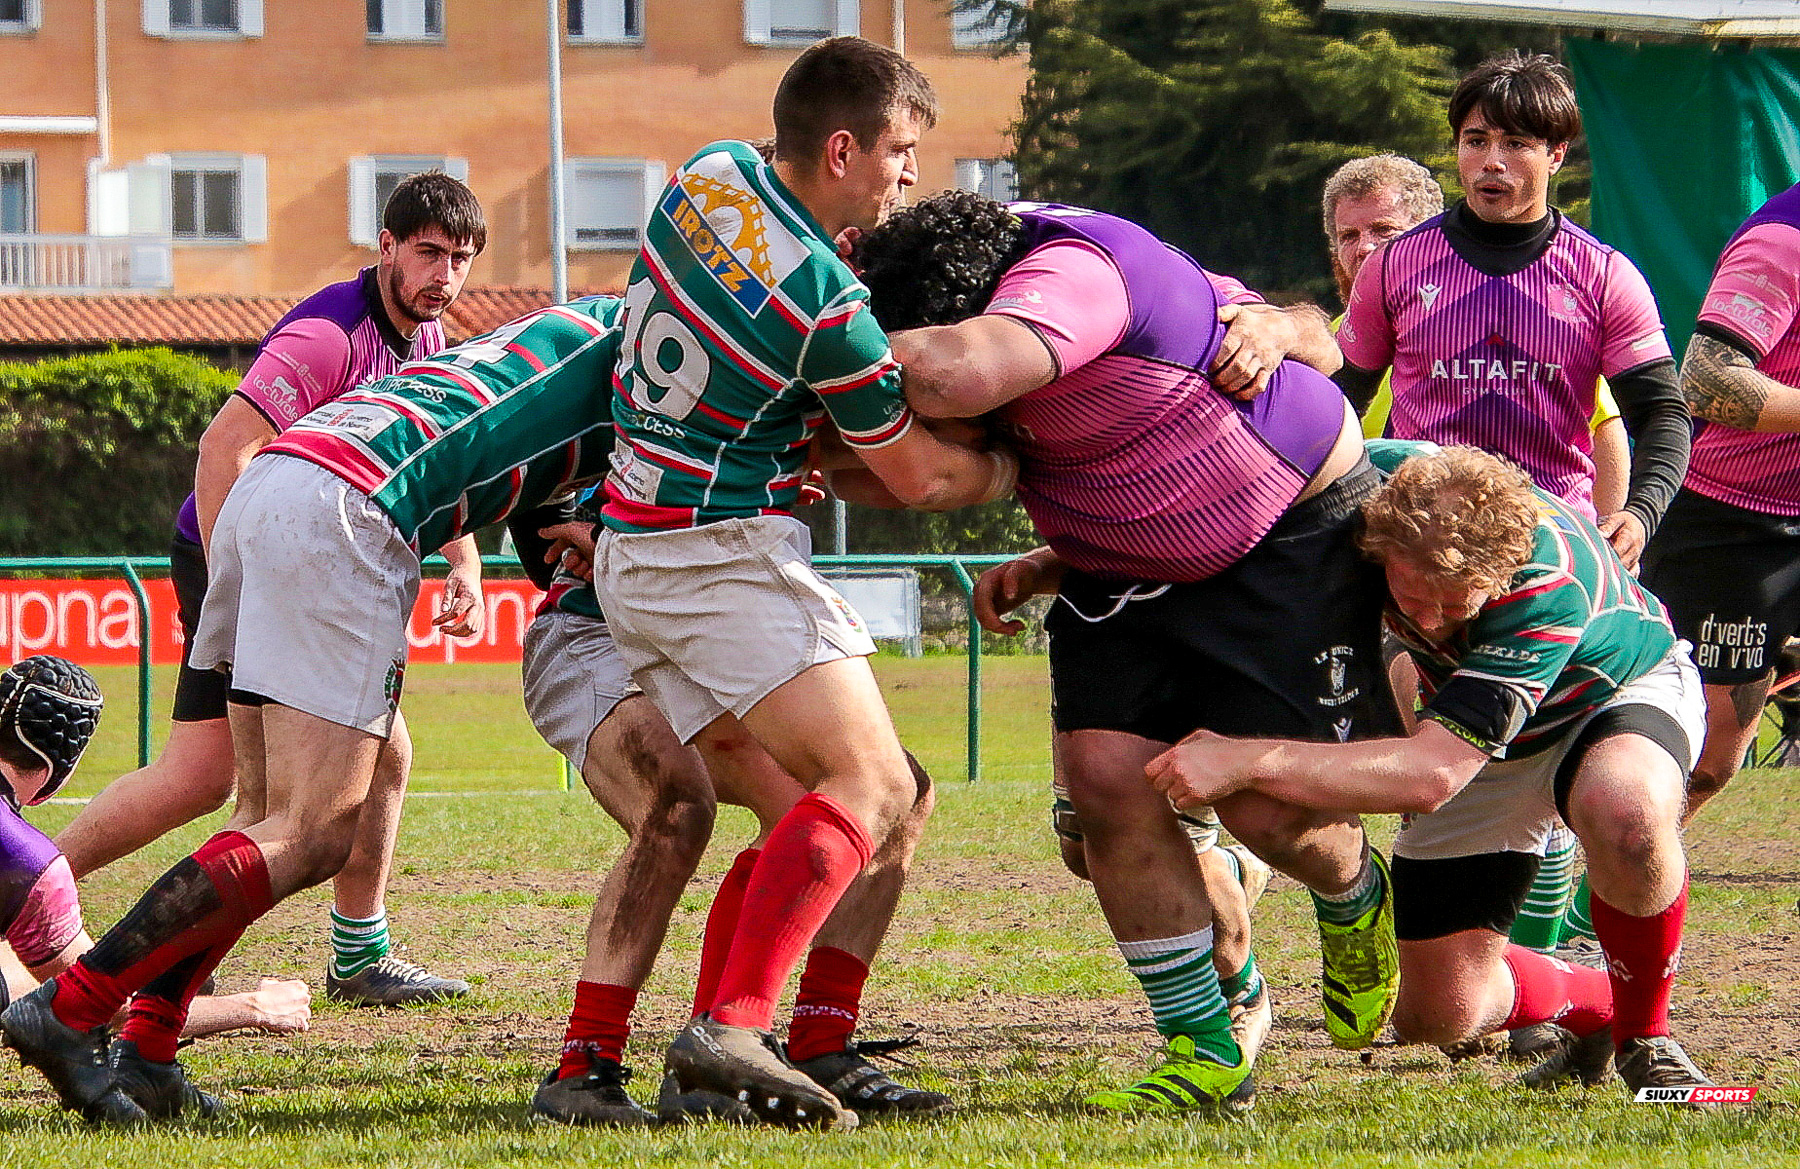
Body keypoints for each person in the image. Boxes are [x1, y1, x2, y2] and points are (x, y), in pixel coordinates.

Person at [0, 297, 621, 1125]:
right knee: (314, 828)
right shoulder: (666, 363)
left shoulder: (581, 329)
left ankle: (147, 1045)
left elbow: (521, 478)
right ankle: (71, 1006)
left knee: (259, 814)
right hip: (347, 509)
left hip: (284, 486)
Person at [854, 189, 1404, 1116]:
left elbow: (954, 377)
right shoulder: (945, 262)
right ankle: (1202, 1044)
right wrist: (1047, 559)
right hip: (1114, 563)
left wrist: (1283, 327)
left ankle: (1354, 888)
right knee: (1106, 793)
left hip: (1283, 534)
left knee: (1272, 817)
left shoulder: (1075, 269)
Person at [589, 38, 1015, 1131]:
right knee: (872, 786)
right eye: (903, 153)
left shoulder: (707, 174)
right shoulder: (827, 300)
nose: (911, 176)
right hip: (714, 554)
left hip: (634, 546)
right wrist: (1018, 465)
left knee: (880, 800)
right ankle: (731, 1023)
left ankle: (782, 1042)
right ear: (842, 148)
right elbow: (917, 475)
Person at [1145, 441, 1716, 1100]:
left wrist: (1242, 757)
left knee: (1626, 809)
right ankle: (1599, 1004)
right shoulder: (1349, 481)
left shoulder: (1546, 579)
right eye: (1411, 596)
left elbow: (1431, 775)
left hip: (1612, 693)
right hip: (1471, 722)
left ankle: (1646, 1037)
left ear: (1501, 572)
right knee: (1437, 1012)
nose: (1428, 621)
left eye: (1454, 605)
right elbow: (1216, 504)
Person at [51, 172, 488, 1008]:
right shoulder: (328, 335)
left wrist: (463, 561)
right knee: (265, 787)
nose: (445, 276)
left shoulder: (428, 344)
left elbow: (432, 465)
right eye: (429, 253)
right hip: (243, 567)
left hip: (300, 575)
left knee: (217, 776)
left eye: (460, 259)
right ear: (387, 246)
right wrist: (234, 593)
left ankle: (35, 887)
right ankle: (69, 911)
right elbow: (223, 451)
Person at [1320, 150, 1635, 985]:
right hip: (1415, 565)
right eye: (1347, 235)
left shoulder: (1509, 300)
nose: (1361, 250)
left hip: (1527, 559)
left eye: (1380, 232)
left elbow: (1609, 419)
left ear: (1420, 234)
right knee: (1422, 722)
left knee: (1519, 748)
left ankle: (1538, 938)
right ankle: (1445, 910)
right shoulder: (1358, 355)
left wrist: (1615, 525)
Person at [513, 536, 950, 1125]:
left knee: (888, 794)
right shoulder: (601, 447)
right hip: (594, 630)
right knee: (677, 806)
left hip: (708, 614)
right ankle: (584, 1063)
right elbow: (487, 464)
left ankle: (791, 1045)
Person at [1334, 54, 1688, 575]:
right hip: (1418, 544)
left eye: (1516, 144)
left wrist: (1639, 515)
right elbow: (1338, 399)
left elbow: (1663, 415)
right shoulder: (1393, 265)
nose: (1491, 161)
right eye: (1476, 141)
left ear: (1557, 155)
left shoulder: (1605, 275)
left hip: (1550, 545)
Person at [0, 656, 311, 1121]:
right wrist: (254, 1008)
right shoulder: (30, 863)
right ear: (65, 762)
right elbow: (109, 1008)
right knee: (30, 982)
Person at [1641, 179, 1800, 824]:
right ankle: (1590, 893)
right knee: (1704, 760)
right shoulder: (1783, 242)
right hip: (1729, 521)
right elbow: (1706, 380)